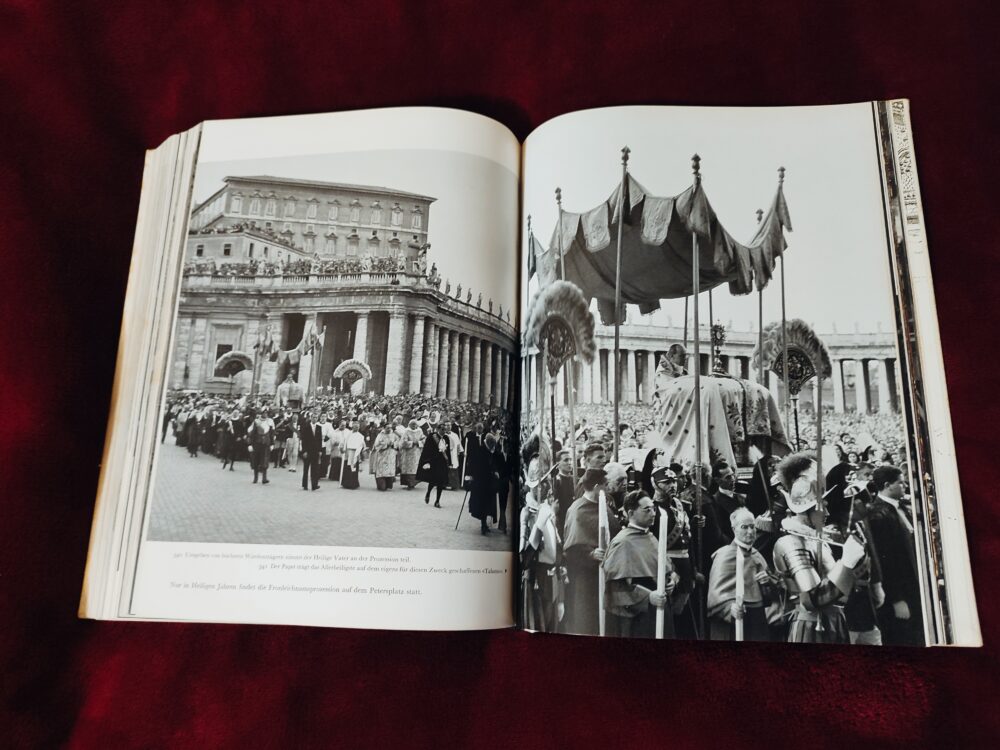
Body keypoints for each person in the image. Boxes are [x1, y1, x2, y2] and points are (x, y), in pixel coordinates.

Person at [771, 452, 868, 643]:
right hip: (812, 628)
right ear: (807, 507)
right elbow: (813, 599)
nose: (828, 511)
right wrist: (847, 561)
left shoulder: (816, 539)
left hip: (832, 621)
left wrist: (860, 560)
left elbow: (846, 589)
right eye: (823, 505)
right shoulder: (791, 543)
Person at [603, 490, 674, 638]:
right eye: (647, 510)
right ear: (630, 513)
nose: (653, 513)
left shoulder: (651, 537)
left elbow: (667, 568)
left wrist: (671, 581)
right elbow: (616, 588)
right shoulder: (622, 542)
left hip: (660, 608)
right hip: (638, 618)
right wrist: (648, 597)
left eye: (653, 509)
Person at [867, 464, 923, 646]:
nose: (905, 486)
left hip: (913, 586)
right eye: (901, 483)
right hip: (899, 595)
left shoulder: (901, 507)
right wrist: (897, 599)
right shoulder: (878, 515)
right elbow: (885, 561)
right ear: (887, 485)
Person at [707, 507, 780, 641]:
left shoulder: (757, 555)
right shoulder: (724, 555)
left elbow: (773, 595)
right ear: (734, 529)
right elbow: (716, 596)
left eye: (752, 527)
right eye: (744, 527)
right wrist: (729, 608)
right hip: (732, 623)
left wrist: (767, 583)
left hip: (757, 619)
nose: (750, 531)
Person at [562, 468, 620, 636]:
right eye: (606, 484)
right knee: (589, 621)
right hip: (586, 578)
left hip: (609, 572)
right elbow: (571, 548)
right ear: (596, 486)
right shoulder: (577, 510)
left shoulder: (604, 505)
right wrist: (591, 554)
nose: (608, 488)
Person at [519, 457, 564, 632]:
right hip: (536, 582)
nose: (548, 487)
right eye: (543, 483)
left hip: (552, 580)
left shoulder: (547, 509)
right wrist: (538, 526)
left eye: (547, 482)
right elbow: (524, 559)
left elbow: (557, 553)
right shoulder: (527, 514)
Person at [417, 423, 450, 508]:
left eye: (445, 430)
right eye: (442, 429)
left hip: (442, 462)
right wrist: (427, 461)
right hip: (434, 462)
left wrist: (449, 461)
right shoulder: (432, 437)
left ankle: (437, 501)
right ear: (438, 429)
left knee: (441, 482)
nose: (444, 431)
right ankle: (428, 493)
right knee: (433, 480)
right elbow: (427, 449)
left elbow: (448, 451)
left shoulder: (446, 438)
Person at [247, 409, 275, 484]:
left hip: (266, 443)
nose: (265, 414)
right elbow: (251, 434)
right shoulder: (256, 421)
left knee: (265, 461)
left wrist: (272, 443)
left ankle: (264, 478)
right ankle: (255, 478)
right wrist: (250, 444)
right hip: (257, 443)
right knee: (256, 460)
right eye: (264, 413)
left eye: (266, 413)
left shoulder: (270, 421)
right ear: (261, 413)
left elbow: (272, 434)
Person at [298, 409, 323, 491]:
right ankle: (305, 485)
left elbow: (320, 440)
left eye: (316, 417)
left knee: (314, 469)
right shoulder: (306, 427)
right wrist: (304, 451)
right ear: (311, 418)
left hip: (315, 451)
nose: (315, 419)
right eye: (313, 417)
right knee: (306, 468)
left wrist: (320, 450)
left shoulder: (319, 427)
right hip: (307, 451)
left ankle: (314, 485)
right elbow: (303, 440)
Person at [372, 423, 399, 491]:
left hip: (391, 455)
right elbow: (376, 445)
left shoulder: (394, 435)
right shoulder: (380, 435)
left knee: (389, 470)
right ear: (384, 428)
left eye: (390, 428)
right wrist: (386, 445)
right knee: (382, 470)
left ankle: (388, 484)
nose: (389, 429)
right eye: (387, 428)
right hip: (382, 455)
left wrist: (394, 444)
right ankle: (381, 485)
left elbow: (398, 443)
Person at [398, 419, 423, 489]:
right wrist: (411, 443)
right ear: (409, 425)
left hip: (416, 452)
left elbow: (424, 439)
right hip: (408, 453)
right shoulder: (406, 431)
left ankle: (413, 482)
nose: (414, 425)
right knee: (408, 468)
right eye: (412, 424)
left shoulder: (420, 431)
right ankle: (409, 483)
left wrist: (419, 443)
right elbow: (403, 442)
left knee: (416, 467)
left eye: (415, 424)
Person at [341, 421, 365, 490]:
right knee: (347, 467)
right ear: (352, 427)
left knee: (354, 468)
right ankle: (346, 483)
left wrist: (359, 451)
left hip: (356, 453)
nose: (356, 428)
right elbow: (344, 442)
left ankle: (353, 484)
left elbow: (362, 445)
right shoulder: (348, 434)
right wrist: (343, 449)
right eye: (355, 426)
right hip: (348, 453)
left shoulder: (360, 436)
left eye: (358, 427)